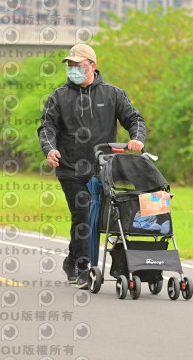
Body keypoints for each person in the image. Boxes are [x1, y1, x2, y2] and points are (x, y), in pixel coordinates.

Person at [37, 43, 146, 290]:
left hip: (104, 169)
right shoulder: (58, 97)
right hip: (70, 168)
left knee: (95, 219)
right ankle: (84, 269)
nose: (73, 69)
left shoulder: (113, 94)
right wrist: (50, 149)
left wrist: (137, 139)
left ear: (93, 66)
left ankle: (71, 260)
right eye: (70, 65)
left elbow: (134, 118)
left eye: (78, 65)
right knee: (83, 214)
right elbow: (46, 127)